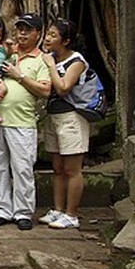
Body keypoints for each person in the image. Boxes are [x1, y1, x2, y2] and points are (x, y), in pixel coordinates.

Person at [0, 13, 52, 231]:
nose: (22, 33)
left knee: (22, 168)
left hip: (22, 122)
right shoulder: (4, 51)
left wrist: (19, 76)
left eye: (27, 30)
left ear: (38, 34)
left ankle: (23, 212)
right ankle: (2, 210)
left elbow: (46, 90)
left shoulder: (41, 60)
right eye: (19, 29)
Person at [38, 18, 90, 229]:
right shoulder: (51, 57)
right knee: (57, 168)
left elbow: (63, 88)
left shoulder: (76, 61)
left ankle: (72, 214)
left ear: (66, 40)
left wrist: (50, 66)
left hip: (72, 118)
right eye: (47, 34)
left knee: (72, 169)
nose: (48, 38)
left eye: (53, 35)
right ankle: (58, 210)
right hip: (53, 117)